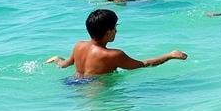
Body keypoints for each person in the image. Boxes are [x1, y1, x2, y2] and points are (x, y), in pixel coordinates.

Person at [46, 9, 187, 76]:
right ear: (108, 32)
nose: (116, 31)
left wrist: (57, 60)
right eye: (115, 27)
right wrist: (170, 55)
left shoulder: (79, 45)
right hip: (94, 91)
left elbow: (66, 64)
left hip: (72, 84)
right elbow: (144, 64)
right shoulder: (113, 55)